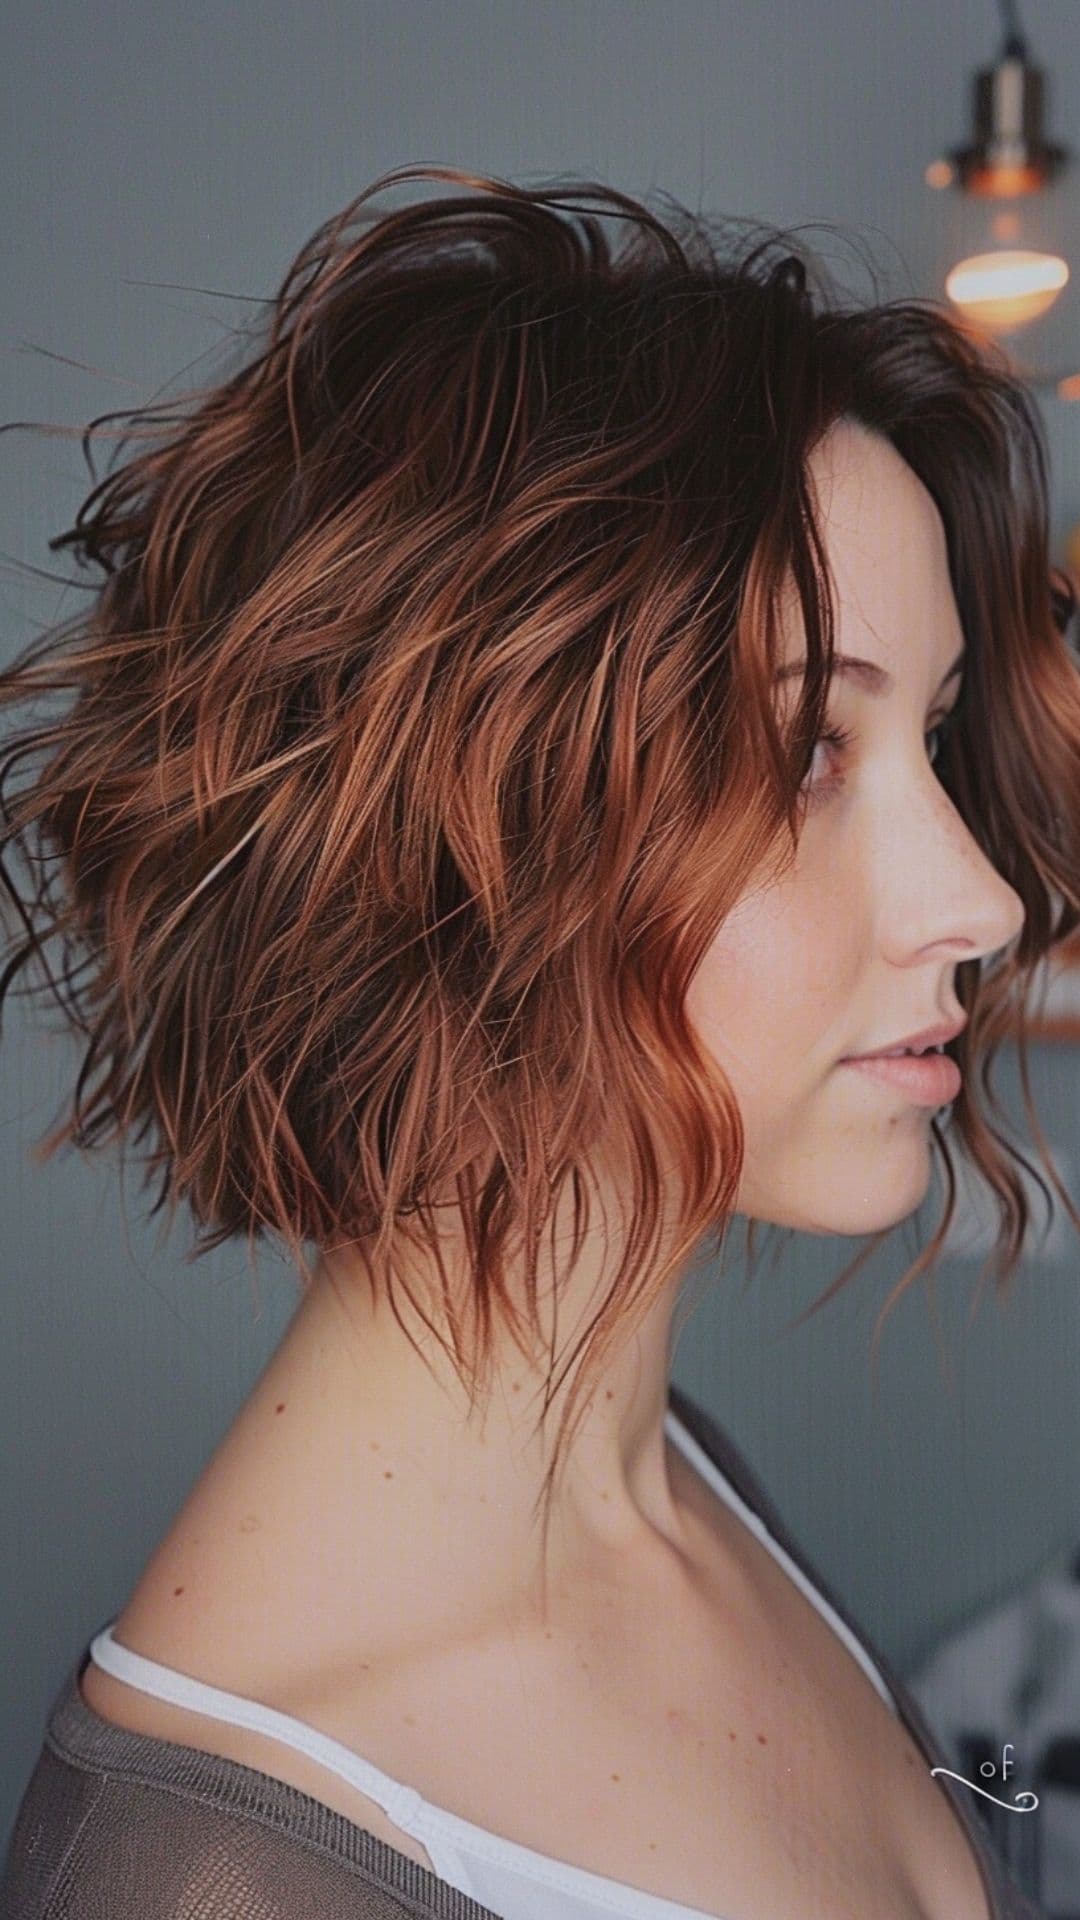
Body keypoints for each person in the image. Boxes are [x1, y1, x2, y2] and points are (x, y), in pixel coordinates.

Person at [2, 163, 1076, 1920]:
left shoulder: (679, 1486)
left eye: (938, 744)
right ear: (460, 844)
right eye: (809, 752)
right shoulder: (215, 1877)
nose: (983, 899)